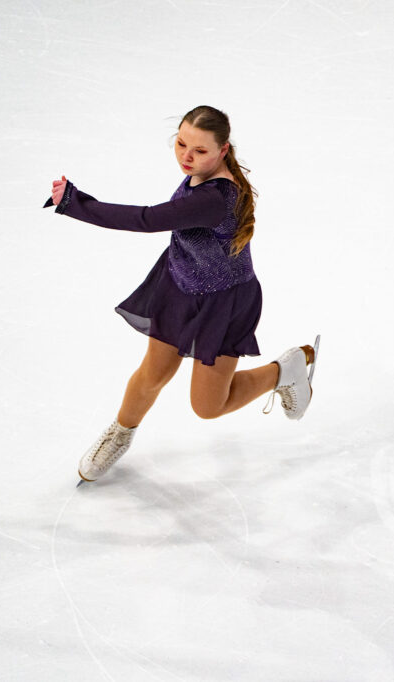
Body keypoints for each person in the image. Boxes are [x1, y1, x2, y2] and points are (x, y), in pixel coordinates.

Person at [43, 105, 318, 482]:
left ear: (223, 151)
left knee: (208, 406)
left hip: (223, 303)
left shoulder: (214, 198)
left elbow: (147, 220)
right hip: (179, 286)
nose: (187, 157)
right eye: (181, 144)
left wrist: (75, 203)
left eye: (200, 151)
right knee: (152, 373)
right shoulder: (200, 177)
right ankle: (120, 435)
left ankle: (283, 372)